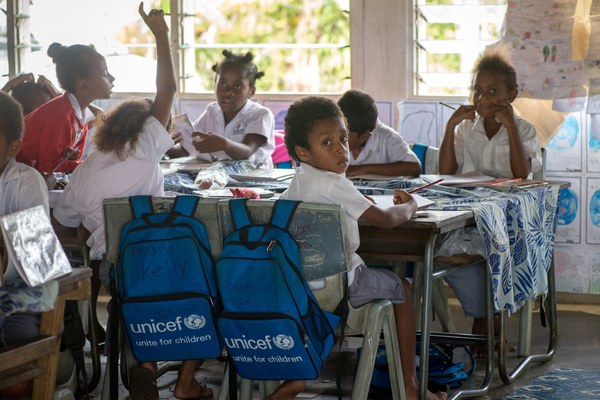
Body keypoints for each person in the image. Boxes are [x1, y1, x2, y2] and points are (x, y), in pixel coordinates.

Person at [53, 4, 212, 400]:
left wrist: (94, 224)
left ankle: (146, 365)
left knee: (137, 292)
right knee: (205, 291)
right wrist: (160, 35)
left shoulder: (85, 171)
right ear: (148, 129)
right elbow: (168, 90)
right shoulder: (144, 149)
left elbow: (65, 218)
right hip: (168, 258)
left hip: (117, 271)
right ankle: (183, 380)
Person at [276, 96, 447, 400]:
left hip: (299, 288)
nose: (341, 149)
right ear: (303, 151)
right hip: (344, 285)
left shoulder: (299, 180)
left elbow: (352, 203)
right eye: (327, 142)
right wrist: (410, 205)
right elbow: (384, 220)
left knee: (363, 288)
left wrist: (364, 202)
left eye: (343, 138)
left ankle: (298, 374)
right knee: (404, 290)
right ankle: (409, 387)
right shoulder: (334, 183)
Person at [437, 44, 542, 357]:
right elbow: (445, 172)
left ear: (512, 93)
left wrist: (510, 128)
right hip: (471, 210)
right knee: (449, 247)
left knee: (494, 246)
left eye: (493, 90)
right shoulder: (466, 129)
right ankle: (484, 314)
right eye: (477, 90)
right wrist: (449, 126)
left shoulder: (523, 128)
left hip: (509, 217)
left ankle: (489, 318)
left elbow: (522, 175)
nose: (482, 98)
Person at [0, 92, 49, 398]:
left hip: (21, 297)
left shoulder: (26, 182)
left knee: (16, 381)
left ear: (13, 147)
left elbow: (35, 260)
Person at [16, 39, 115, 174]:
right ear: (83, 86)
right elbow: (49, 167)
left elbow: (64, 164)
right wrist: (91, 167)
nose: (112, 78)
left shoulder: (81, 116)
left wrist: (71, 162)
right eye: (105, 74)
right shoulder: (59, 116)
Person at [171, 50, 275, 168]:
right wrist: (165, 146)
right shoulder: (211, 111)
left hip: (255, 180)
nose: (228, 92)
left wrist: (224, 144)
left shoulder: (260, 115)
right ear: (214, 84)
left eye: (237, 86)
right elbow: (189, 150)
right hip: (217, 179)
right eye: (222, 84)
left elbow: (247, 151)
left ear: (251, 92)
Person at [337, 89, 422, 178]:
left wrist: (365, 168)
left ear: (365, 136)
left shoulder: (387, 137)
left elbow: (414, 167)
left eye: (344, 138)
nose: (337, 140)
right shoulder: (334, 133)